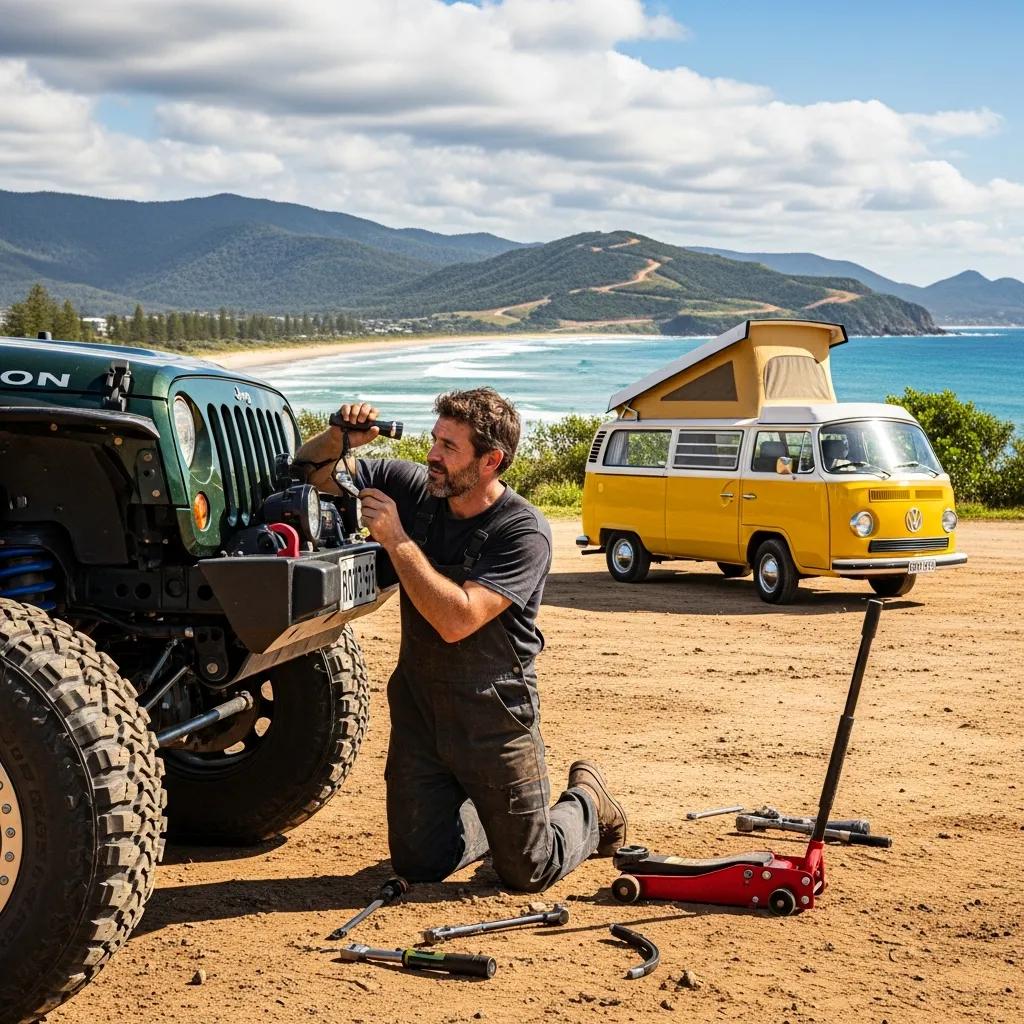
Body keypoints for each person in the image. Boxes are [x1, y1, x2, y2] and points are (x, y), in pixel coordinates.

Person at [294, 387, 627, 892]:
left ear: (491, 460)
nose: (431, 455)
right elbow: (310, 473)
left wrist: (397, 540)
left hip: (494, 720)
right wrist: (339, 438)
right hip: (420, 714)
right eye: (434, 440)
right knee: (420, 865)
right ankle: (493, 818)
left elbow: (458, 620)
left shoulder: (523, 531)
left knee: (529, 869)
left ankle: (587, 801)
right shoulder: (416, 486)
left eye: (449, 447)